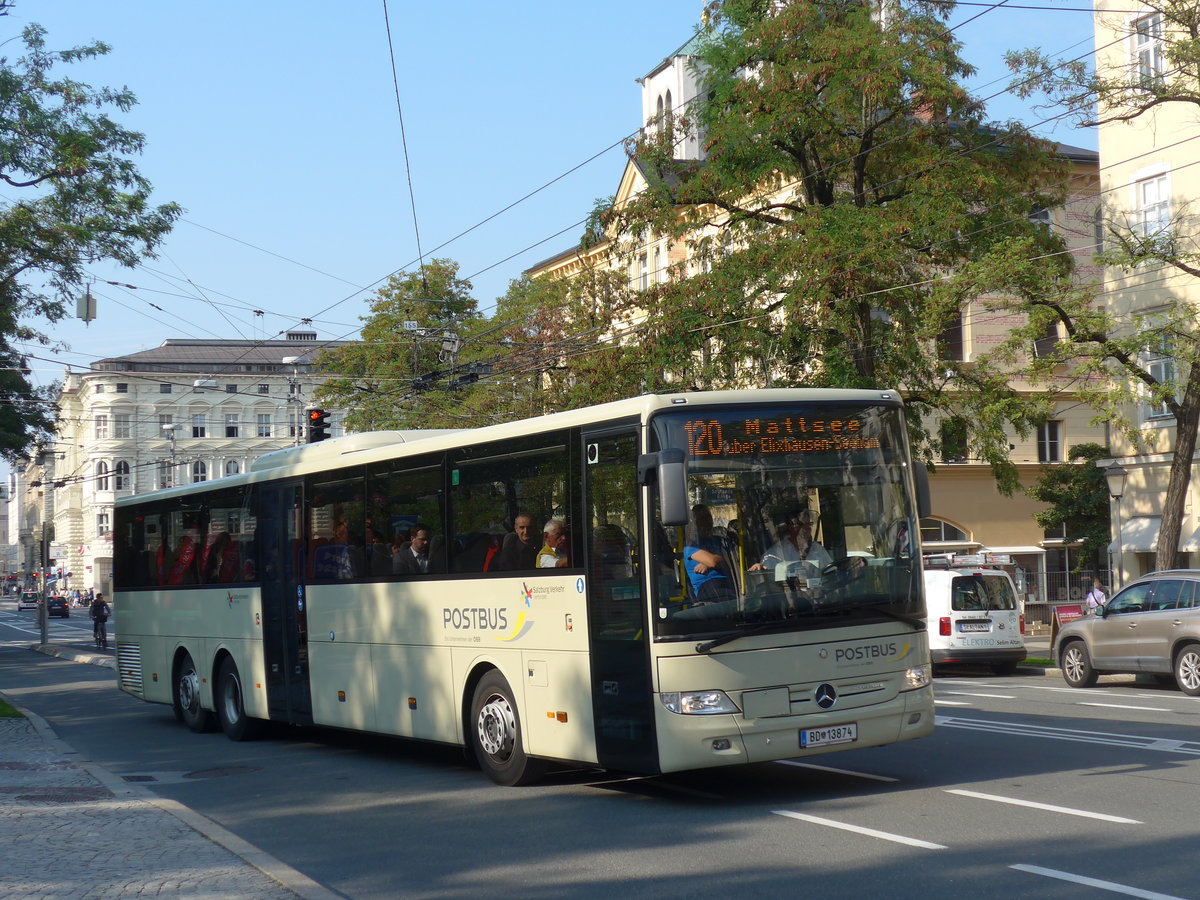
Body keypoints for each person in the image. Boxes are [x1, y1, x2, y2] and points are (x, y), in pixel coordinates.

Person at [750, 508, 833, 574]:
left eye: (809, 525)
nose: (808, 529)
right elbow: (770, 584)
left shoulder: (817, 549)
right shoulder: (773, 555)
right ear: (791, 527)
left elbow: (831, 574)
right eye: (803, 525)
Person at [683, 504, 737, 603]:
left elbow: (733, 560)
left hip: (731, 582)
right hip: (708, 587)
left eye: (708, 517)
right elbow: (713, 561)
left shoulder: (720, 540)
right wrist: (716, 561)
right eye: (701, 518)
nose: (706, 522)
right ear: (695, 523)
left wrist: (708, 564)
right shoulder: (690, 546)